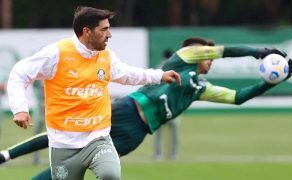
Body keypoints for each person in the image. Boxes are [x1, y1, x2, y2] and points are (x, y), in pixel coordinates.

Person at [1, 37, 292, 180]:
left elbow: (238, 97)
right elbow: (224, 51)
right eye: (208, 56)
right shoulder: (185, 56)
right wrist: (258, 51)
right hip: (128, 109)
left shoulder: (199, 89)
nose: (211, 61)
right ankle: (7, 154)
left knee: (77, 166)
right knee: (65, 137)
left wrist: (272, 82)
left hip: (138, 133)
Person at [6, 6, 181, 180]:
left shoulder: (105, 55)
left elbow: (127, 74)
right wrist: (20, 108)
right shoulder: (57, 53)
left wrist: (159, 75)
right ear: (86, 31)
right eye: (104, 29)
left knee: (110, 175)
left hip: (98, 138)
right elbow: (20, 73)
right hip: (63, 144)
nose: (110, 34)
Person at [153, 49, 180, 161]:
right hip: (172, 106)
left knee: (159, 133)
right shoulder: (176, 69)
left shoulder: (159, 69)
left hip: (160, 105)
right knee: (173, 132)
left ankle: (158, 154)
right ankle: (173, 154)